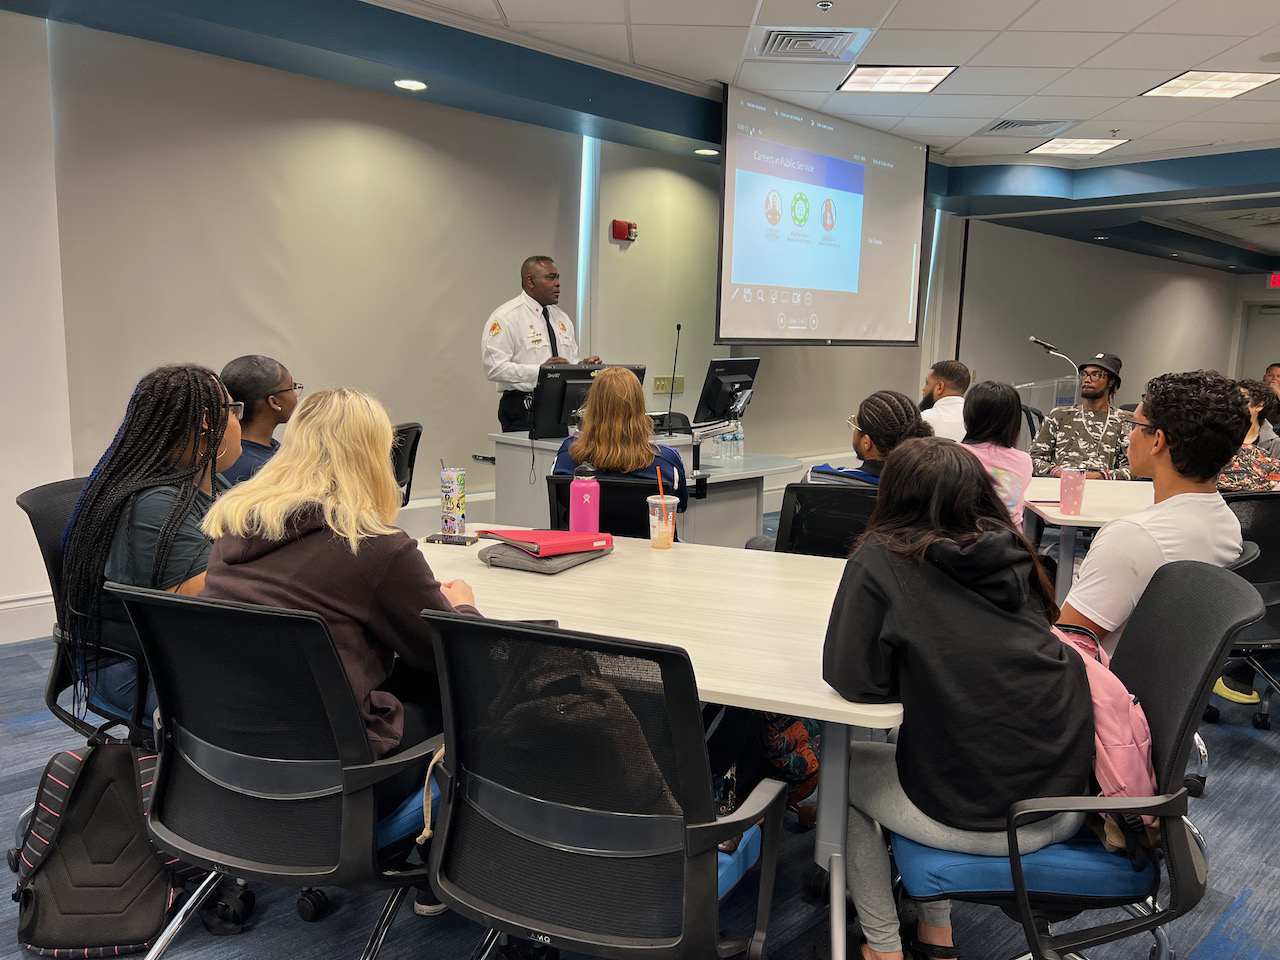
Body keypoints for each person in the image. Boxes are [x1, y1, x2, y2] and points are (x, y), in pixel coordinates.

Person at [823, 437, 1093, 960]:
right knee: (926, 733)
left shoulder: (881, 560)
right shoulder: (1012, 552)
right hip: (1063, 798)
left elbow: (853, 681)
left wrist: (913, 665)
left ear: (891, 494)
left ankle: (883, 948)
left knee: (843, 773)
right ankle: (935, 936)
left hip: (983, 822)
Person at [201, 388, 477, 773]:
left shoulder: (233, 525)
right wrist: (463, 605)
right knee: (473, 699)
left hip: (232, 748)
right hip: (334, 769)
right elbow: (458, 656)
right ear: (375, 456)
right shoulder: (374, 546)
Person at [59, 364, 243, 717]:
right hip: (134, 671)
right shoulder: (155, 504)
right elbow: (205, 606)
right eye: (233, 410)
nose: (239, 423)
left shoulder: (207, 487)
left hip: (172, 653)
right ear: (208, 420)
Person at [1057, 370, 1247, 656]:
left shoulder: (1134, 538)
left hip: (1103, 687)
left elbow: (1061, 650)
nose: (1129, 436)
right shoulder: (1228, 522)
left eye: (1134, 425)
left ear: (1157, 441)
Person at [481, 255, 599, 431]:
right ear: (530, 281)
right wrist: (542, 371)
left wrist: (581, 366)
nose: (558, 283)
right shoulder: (507, 317)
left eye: (558, 277)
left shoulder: (562, 318)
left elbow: (569, 360)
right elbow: (494, 369)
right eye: (550, 277)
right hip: (524, 406)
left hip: (562, 408)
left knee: (560, 457)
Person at [551, 366, 688, 512]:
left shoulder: (567, 454)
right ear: (639, 408)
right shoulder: (665, 461)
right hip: (648, 535)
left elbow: (561, 502)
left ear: (592, 407)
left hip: (587, 534)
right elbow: (679, 506)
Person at [1030, 352, 1132, 479]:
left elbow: (1134, 468)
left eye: (1095, 375)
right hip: (1061, 486)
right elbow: (1034, 459)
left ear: (1111, 381)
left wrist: (1100, 476)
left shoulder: (1125, 420)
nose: (1086, 380)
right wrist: (1058, 472)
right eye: (1084, 374)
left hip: (1106, 490)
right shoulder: (1059, 415)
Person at [962, 380, 1034, 532]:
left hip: (963, 540)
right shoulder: (1024, 460)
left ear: (969, 416)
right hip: (1011, 543)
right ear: (1014, 421)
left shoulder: (954, 453)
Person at [219, 355, 302, 483]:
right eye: (291, 388)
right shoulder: (258, 470)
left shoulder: (271, 448)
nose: (295, 394)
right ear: (274, 402)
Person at [1217, 378, 1280, 492]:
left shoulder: (1274, 444)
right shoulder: (1220, 435)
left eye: (1242, 399)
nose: (1234, 404)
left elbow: (1275, 483)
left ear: (1259, 405)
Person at [918, 360, 969, 441]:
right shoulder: (976, 420)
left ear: (940, 387)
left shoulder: (923, 420)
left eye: (927, 383)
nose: (924, 389)